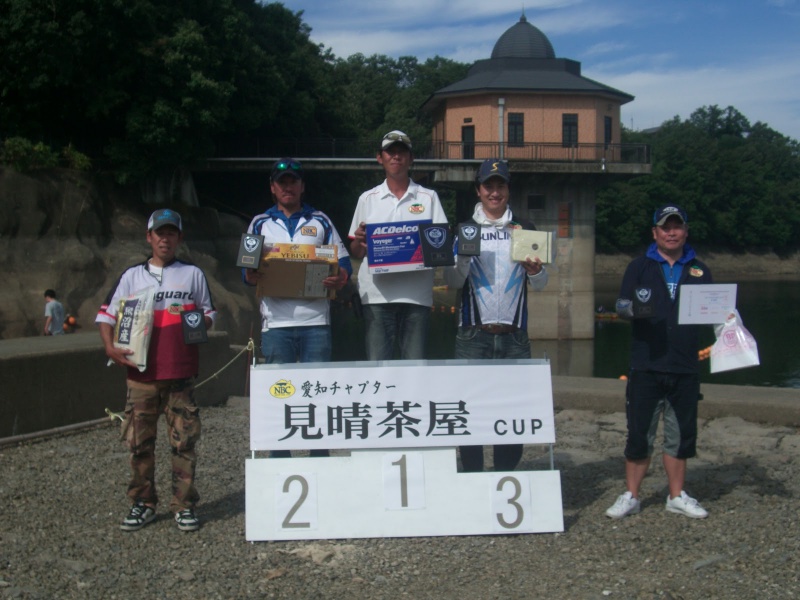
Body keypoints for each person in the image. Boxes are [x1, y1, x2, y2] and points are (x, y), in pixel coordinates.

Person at [96, 209, 216, 532]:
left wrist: (196, 322)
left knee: (184, 443)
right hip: (140, 376)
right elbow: (106, 317)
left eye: (171, 233)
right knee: (138, 443)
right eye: (159, 233)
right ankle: (143, 502)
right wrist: (110, 347)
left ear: (179, 238)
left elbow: (209, 314)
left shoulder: (192, 274)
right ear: (149, 237)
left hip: (180, 373)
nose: (165, 238)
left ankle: (184, 504)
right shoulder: (132, 276)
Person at [605, 205, 712, 520]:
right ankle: (632, 495)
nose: (671, 232)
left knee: (681, 436)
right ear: (655, 232)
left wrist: (728, 321)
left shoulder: (700, 270)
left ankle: (676, 496)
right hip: (646, 364)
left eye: (677, 227)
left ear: (685, 232)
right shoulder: (638, 267)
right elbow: (622, 305)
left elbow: (713, 311)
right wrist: (632, 311)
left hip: (684, 365)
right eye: (665, 227)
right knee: (639, 434)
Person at [444, 159, 548, 472]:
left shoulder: (525, 229)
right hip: (472, 335)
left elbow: (541, 285)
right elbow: (451, 283)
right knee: (470, 411)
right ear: (478, 190)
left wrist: (537, 271)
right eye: (488, 186)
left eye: (500, 185)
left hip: (515, 336)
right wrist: (461, 259)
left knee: (512, 411)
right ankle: (474, 475)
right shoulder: (464, 230)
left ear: (507, 190)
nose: (494, 192)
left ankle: (505, 475)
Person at [243, 158, 351, 458]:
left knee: (317, 394)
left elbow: (342, 262)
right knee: (281, 395)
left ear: (302, 186)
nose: (287, 186)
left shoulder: (321, 220)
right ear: (272, 188)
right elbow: (246, 270)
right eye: (281, 182)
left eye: (293, 181)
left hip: (316, 321)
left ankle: (319, 459)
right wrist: (250, 274)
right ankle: (280, 460)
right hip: (275, 324)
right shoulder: (259, 222)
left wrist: (341, 277)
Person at [348, 130, 448, 360]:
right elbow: (356, 251)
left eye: (401, 152)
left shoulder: (429, 197)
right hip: (376, 297)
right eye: (390, 152)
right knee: (377, 369)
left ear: (411, 158)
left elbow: (440, 248)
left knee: (414, 371)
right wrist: (362, 241)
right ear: (379, 158)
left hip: (416, 297)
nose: (396, 157)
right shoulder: (367, 198)